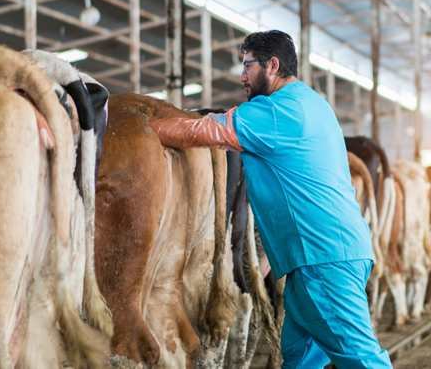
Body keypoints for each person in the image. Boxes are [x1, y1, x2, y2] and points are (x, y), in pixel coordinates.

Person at [148, 30, 393, 369]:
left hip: (321, 259)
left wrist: (144, 128)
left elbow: (203, 131)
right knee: (298, 358)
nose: (241, 76)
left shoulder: (277, 111)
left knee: (362, 360)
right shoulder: (311, 103)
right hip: (326, 256)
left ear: (272, 65)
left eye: (246, 66)